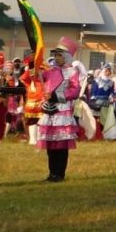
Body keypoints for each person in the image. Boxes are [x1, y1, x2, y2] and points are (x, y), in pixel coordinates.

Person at [39, 38, 82, 181]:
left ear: (67, 56)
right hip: (50, 112)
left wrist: (56, 96)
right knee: (51, 145)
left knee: (61, 144)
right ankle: (51, 173)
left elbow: (75, 91)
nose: (56, 58)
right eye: (55, 55)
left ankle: (60, 173)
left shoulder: (72, 72)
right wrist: (34, 62)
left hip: (63, 112)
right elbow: (34, 78)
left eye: (59, 55)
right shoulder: (50, 71)